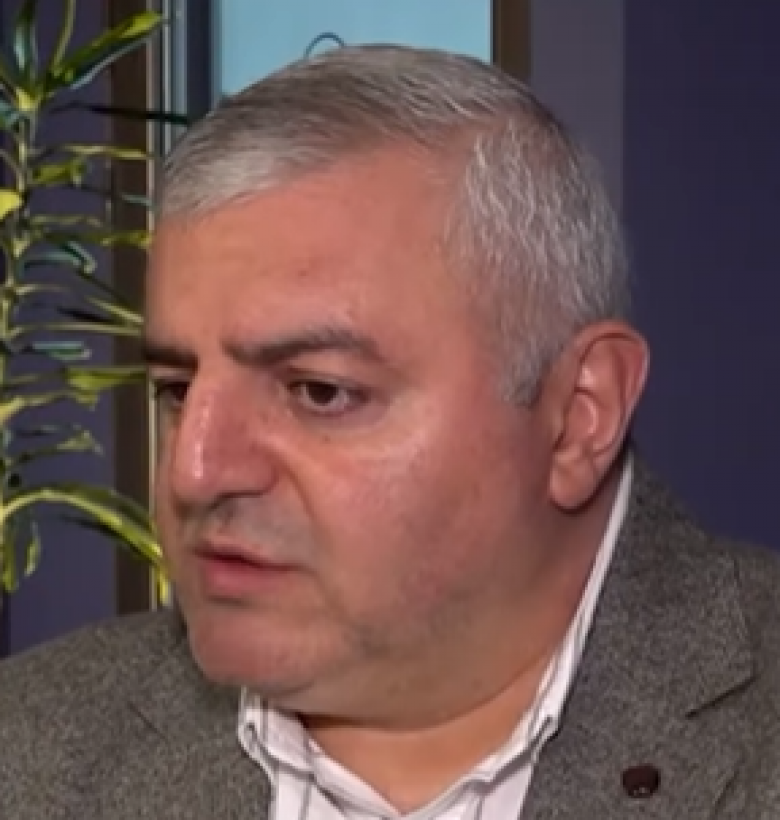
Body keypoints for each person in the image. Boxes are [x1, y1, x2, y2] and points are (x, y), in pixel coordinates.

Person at [2, 44, 780, 820]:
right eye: (177, 389)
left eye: (319, 392)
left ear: (579, 416)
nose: (194, 473)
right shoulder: (27, 746)